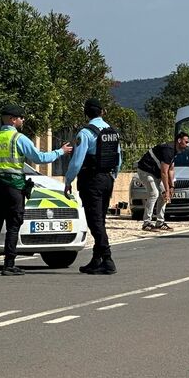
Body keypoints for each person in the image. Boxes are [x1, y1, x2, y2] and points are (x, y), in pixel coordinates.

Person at [0, 104, 72, 276]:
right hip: (14, 188)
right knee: (13, 226)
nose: (23, 120)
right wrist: (60, 151)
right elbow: (39, 158)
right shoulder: (18, 139)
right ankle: (9, 265)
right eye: (21, 117)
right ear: (13, 120)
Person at [66, 98, 122, 275]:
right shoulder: (113, 132)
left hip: (91, 180)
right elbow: (118, 158)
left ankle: (107, 258)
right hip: (107, 179)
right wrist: (113, 176)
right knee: (100, 219)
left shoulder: (85, 133)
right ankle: (96, 259)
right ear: (103, 111)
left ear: (86, 113)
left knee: (94, 220)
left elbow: (77, 161)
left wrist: (68, 180)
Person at [136, 131, 189, 232]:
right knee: (154, 194)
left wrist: (171, 187)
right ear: (179, 141)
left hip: (155, 173)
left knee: (163, 196)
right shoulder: (169, 150)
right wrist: (166, 190)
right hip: (146, 171)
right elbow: (164, 172)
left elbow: (171, 170)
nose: (187, 145)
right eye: (186, 142)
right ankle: (146, 223)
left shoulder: (175, 151)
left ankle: (160, 222)